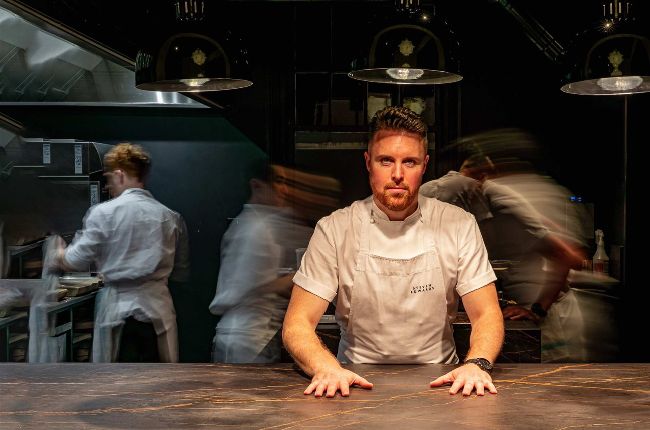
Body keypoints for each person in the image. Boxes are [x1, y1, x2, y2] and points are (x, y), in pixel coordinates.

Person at [282, 106, 504, 398]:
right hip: (351, 383)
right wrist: (326, 367)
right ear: (368, 162)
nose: (398, 175)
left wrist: (476, 364)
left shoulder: (458, 224)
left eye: (409, 162)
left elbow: (486, 313)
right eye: (386, 161)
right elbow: (297, 323)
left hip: (443, 384)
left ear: (424, 165)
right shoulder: (334, 229)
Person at [421, 135, 587, 362]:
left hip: (548, 318)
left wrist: (537, 309)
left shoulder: (502, 205)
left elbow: (569, 255)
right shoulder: (456, 193)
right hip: (525, 313)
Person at [51, 143, 189, 362]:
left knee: (117, 380)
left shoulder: (103, 213)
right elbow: (181, 271)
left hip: (117, 312)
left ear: (120, 175)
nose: (108, 186)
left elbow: (75, 260)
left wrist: (58, 253)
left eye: (109, 179)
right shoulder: (170, 217)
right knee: (157, 380)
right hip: (157, 311)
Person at [209, 161, 314, 363]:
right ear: (257, 186)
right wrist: (298, 276)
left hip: (247, 334)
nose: (285, 190)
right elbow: (254, 288)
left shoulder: (258, 223)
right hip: (246, 338)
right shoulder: (256, 228)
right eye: (278, 182)